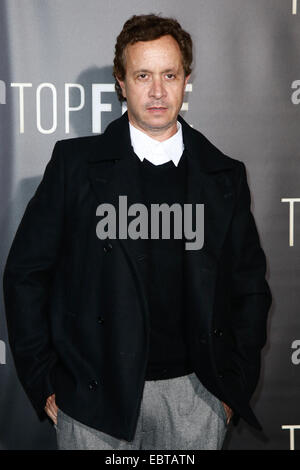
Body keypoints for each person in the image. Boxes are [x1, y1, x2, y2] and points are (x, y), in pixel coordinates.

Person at [3, 14, 272, 450]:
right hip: (92, 400)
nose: (158, 91)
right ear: (121, 83)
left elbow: (249, 288)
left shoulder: (224, 176)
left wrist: (232, 386)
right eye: (143, 75)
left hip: (197, 399)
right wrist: (44, 379)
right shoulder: (75, 167)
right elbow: (26, 276)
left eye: (170, 74)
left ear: (186, 79)